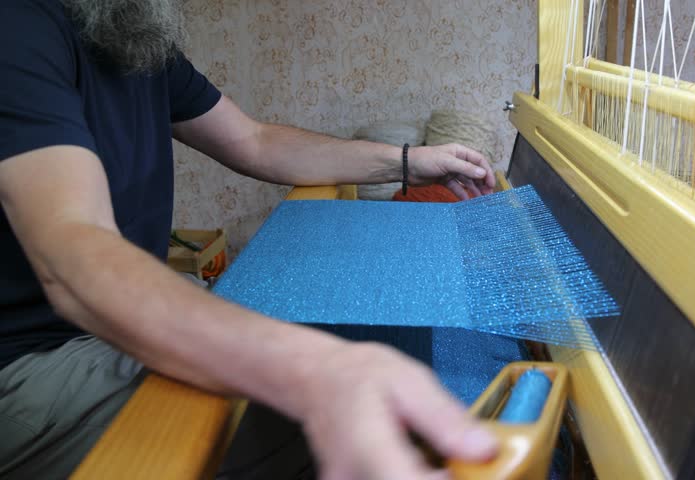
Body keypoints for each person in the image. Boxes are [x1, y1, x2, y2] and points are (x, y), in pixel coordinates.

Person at [0, 0, 499, 478]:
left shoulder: (125, 29)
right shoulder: (17, 24)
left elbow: (254, 142)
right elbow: (71, 248)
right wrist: (313, 368)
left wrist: (409, 162)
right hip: (31, 363)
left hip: (99, 328)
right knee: (321, 415)